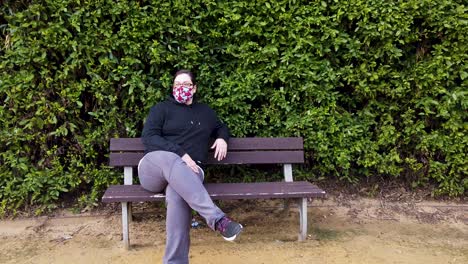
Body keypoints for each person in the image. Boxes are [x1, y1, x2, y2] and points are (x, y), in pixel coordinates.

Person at [138, 69, 243, 264]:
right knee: (172, 160)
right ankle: (218, 220)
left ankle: (175, 262)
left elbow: (221, 126)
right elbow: (149, 137)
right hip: (154, 168)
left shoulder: (205, 112)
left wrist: (222, 138)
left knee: (177, 195)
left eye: (185, 85)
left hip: (189, 173)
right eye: (177, 85)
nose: (180, 88)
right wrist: (181, 154)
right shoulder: (161, 109)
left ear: (194, 88)